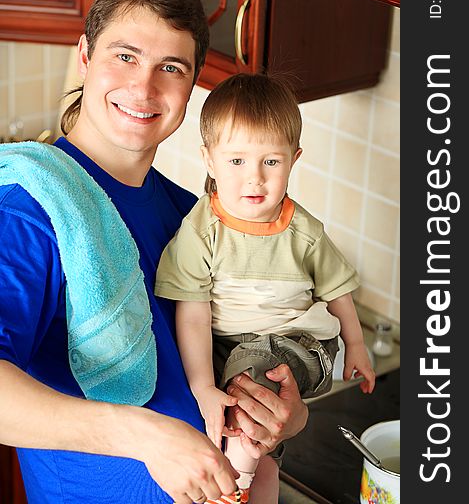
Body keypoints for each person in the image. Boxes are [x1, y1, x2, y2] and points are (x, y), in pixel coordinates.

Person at [0, 0, 309, 504]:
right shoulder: (31, 208)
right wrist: (143, 436)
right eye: (125, 56)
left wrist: (285, 415)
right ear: (85, 55)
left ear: (191, 88)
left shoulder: (194, 218)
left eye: (170, 68)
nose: (144, 88)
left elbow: (230, 356)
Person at [155, 73, 376, 504]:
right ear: (209, 159)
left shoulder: (304, 231)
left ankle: (230, 489)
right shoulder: (201, 232)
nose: (254, 179)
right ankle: (258, 486)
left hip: (295, 342)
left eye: (270, 162)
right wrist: (202, 387)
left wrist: (357, 346)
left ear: (294, 159)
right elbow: (194, 314)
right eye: (237, 162)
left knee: (245, 382)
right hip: (226, 344)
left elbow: (338, 290)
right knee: (245, 429)